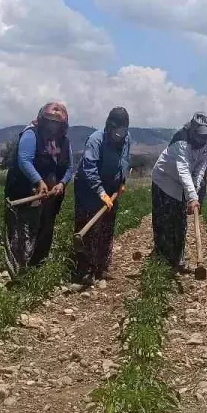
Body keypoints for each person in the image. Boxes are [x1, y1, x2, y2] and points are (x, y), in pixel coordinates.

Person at [4, 102, 73, 271]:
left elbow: (70, 167)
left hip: (50, 196)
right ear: (42, 119)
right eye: (49, 120)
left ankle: (37, 267)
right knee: (23, 231)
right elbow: (24, 160)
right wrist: (38, 181)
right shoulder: (31, 134)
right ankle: (19, 271)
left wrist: (62, 183)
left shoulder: (64, 142)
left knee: (45, 229)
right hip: (26, 191)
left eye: (56, 122)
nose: (52, 125)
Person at [72, 107, 131, 285]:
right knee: (88, 228)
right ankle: (85, 271)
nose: (118, 135)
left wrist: (122, 182)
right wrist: (100, 192)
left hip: (111, 189)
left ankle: (102, 267)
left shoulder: (127, 139)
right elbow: (89, 168)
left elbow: (125, 160)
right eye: (115, 130)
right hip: (88, 188)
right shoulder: (96, 140)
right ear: (108, 127)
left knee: (107, 227)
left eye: (122, 131)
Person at [151, 112, 207, 270]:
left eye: (205, 136)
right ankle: (162, 261)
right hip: (165, 180)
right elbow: (183, 169)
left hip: (182, 183)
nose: (202, 140)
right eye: (200, 136)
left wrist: (196, 189)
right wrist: (192, 196)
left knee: (180, 221)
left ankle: (178, 259)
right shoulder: (181, 141)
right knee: (164, 221)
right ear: (193, 131)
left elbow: (201, 165)